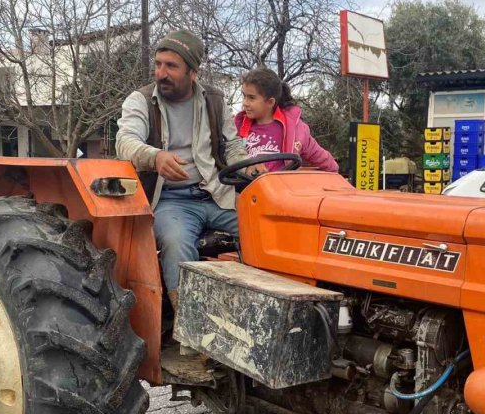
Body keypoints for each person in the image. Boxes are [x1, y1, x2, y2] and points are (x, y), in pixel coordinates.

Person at [115, 29, 263, 311]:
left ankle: (252, 310)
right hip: (171, 201)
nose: (161, 73)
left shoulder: (214, 101)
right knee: (176, 242)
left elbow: (232, 146)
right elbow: (126, 142)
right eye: (158, 64)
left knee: (261, 230)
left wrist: (248, 165)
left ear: (192, 72)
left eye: (171, 66)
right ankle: (188, 323)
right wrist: (155, 157)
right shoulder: (142, 100)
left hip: (217, 195)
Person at [234, 67, 339, 173]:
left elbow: (316, 153)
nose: (245, 103)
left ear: (270, 102)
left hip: (281, 187)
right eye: (244, 96)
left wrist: (333, 169)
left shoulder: (295, 130)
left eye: (251, 98)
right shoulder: (238, 127)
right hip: (247, 187)